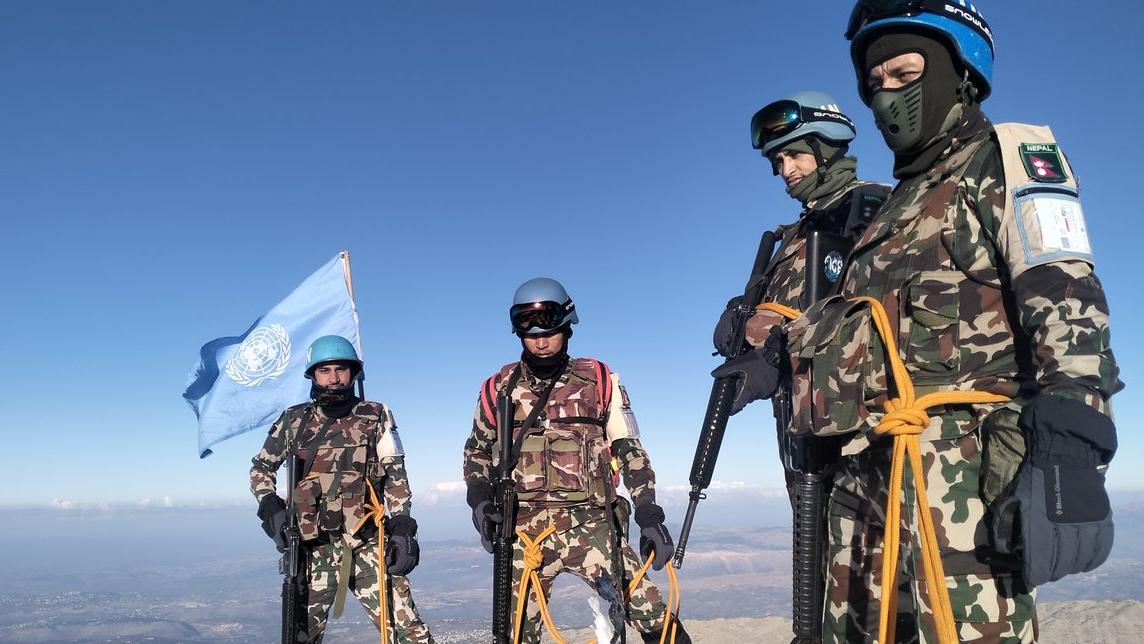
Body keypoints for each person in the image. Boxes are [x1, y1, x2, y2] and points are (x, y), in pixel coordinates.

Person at [785, 3, 1122, 642]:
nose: (888, 97)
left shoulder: (1005, 157)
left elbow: (1067, 296)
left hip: (958, 484)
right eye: (874, 83)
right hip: (865, 483)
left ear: (958, 71)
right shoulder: (888, 212)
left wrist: (1073, 447)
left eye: (905, 74)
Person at [463, 278, 690, 643]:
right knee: (514, 633)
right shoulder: (497, 387)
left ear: (567, 325)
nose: (540, 340)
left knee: (654, 619)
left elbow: (628, 447)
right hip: (522, 529)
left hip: (593, 525)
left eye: (549, 328)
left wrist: (648, 513)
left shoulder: (599, 379)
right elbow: (476, 450)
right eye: (529, 330)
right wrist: (480, 499)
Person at [251, 335, 434, 643]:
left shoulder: (376, 415)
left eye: (341, 369)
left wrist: (402, 525)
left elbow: (396, 477)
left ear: (353, 373)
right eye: (325, 371)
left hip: (367, 543)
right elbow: (261, 468)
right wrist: (271, 507)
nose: (334, 378)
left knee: (408, 632)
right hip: (312, 547)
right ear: (313, 375)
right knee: (300, 635)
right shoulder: (294, 420)